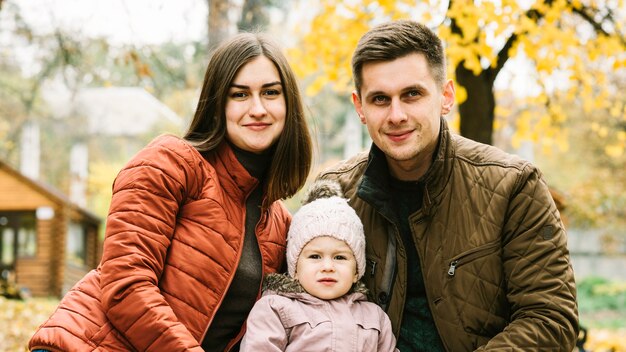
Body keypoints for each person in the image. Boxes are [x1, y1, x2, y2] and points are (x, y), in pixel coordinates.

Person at [29, 32, 312, 352]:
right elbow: (126, 285)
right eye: (240, 94)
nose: (257, 108)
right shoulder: (172, 163)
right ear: (217, 104)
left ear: (289, 104)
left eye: (271, 93)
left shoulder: (280, 225)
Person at [316, 20, 578, 351]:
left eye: (412, 94)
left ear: (445, 96)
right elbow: (302, 307)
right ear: (360, 108)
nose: (396, 115)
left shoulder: (515, 186)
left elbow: (550, 319)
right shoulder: (335, 194)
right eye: (380, 99)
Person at [239, 180, 398, 352]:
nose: (328, 266)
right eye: (315, 256)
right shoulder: (276, 309)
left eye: (340, 257)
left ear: (356, 271)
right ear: (295, 269)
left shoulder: (375, 318)